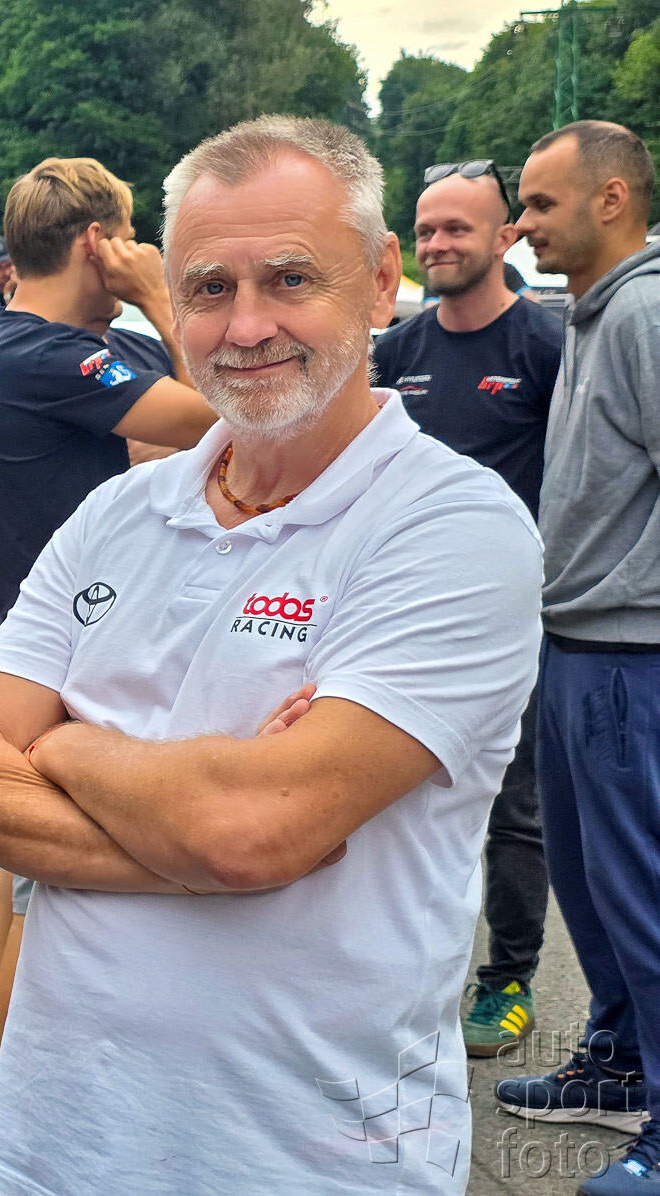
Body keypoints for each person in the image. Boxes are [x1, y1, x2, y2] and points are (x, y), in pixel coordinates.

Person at [0, 116, 542, 1194]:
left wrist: (61, 743)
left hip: (305, 1159)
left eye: (289, 278)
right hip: (54, 1148)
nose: (245, 326)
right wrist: (201, 828)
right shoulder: (118, 512)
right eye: (207, 289)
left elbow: (250, 829)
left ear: (378, 279)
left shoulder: (453, 526)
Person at [0, 155, 213, 1181]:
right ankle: (3, 1130)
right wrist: (158, 296)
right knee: (42, 897)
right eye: (130, 236)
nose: (140, 252)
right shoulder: (53, 356)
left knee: (17, 885)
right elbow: (224, 418)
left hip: (25, 637)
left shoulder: (6, 340)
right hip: (64, 658)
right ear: (96, 243)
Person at [495, 120, 660, 1196]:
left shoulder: (644, 313)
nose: (521, 224)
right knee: (594, 888)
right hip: (575, 644)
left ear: (610, 200)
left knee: (640, 890)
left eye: (540, 204)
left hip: (628, 653)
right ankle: (617, 1060)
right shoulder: (592, 312)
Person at [372, 159, 563, 1058]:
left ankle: (507, 982)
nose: (438, 243)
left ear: (503, 235)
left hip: (509, 624)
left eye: (457, 227)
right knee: (392, 800)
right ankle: (393, 969)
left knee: (512, 810)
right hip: (394, 615)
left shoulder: (544, 347)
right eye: (426, 229)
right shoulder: (397, 353)